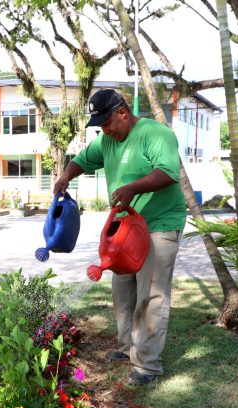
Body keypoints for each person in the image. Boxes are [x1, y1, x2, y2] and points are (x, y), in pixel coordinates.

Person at [54, 88, 186, 386]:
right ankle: (128, 348)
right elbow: (83, 160)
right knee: (122, 290)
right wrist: (66, 175)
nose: (105, 131)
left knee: (151, 293)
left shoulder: (156, 134)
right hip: (126, 230)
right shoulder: (107, 140)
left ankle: (148, 365)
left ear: (123, 113)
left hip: (159, 223)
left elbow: (168, 172)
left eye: (107, 123)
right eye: (100, 126)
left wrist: (132, 188)